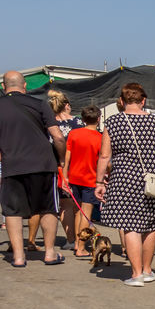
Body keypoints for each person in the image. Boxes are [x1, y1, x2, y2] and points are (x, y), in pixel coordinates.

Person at [0, 71, 65, 268]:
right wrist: (62, 160)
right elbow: (58, 137)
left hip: (13, 165)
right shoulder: (40, 104)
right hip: (43, 164)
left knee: (12, 210)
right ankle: (49, 253)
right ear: (24, 87)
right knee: (48, 207)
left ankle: (19, 257)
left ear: (4, 88)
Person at [94, 83, 155, 286]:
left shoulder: (113, 122)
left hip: (124, 180)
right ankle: (148, 270)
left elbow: (104, 155)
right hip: (153, 181)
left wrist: (99, 181)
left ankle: (136, 274)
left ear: (121, 102)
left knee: (130, 225)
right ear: (143, 101)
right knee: (150, 226)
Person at [62, 105, 103, 257]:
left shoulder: (74, 134)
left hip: (74, 177)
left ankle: (77, 244)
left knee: (78, 211)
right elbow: (102, 160)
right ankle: (80, 247)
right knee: (86, 213)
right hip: (90, 179)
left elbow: (67, 156)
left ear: (83, 119)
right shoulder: (100, 138)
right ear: (98, 119)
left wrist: (65, 176)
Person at [47, 90, 82, 249]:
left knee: (65, 205)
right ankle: (80, 241)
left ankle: (70, 240)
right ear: (66, 105)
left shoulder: (48, 124)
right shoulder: (77, 122)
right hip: (77, 166)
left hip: (57, 167)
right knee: (79, 205)